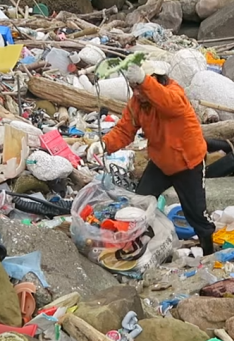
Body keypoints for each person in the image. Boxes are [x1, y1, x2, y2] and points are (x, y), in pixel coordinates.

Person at [89, 64, 217, 255]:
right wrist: (104, 144)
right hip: (160, 162)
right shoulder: (137, 103)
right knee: (141, 200)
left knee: (196, 213)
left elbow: (168, 103)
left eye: (139, 87)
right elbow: (125, 130)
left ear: (155, 80)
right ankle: (141, 244)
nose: (137, 93)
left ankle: (208, 251)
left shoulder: (174, 94)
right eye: (134, 88)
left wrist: (144, 82)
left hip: (187, 162)